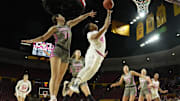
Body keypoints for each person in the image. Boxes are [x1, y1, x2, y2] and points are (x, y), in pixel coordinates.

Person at [21, 11, 96, 101]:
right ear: (57, 18)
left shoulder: (68, 25)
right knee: (55, 75)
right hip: (58, 50)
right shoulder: (54, 28)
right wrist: (31, 41)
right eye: (61, 16)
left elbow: (79, 19)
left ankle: (54, 97)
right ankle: (52, 97)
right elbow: (43, 38)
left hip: (67, 53)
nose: (63, 16)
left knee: (60, 78)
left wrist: (87, 14)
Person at [69, 10, 112, 94]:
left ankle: (76, 83)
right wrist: (105, 28)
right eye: (92, 24)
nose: (94, 24)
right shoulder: (90, 34)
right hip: (93, 53)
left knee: (92, 73)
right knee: (88, 68)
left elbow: (107, 23)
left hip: (99, 56)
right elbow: (96, 36)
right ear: (90, 28)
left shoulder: (100, 31)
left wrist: (109, 13)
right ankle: (75, 83)